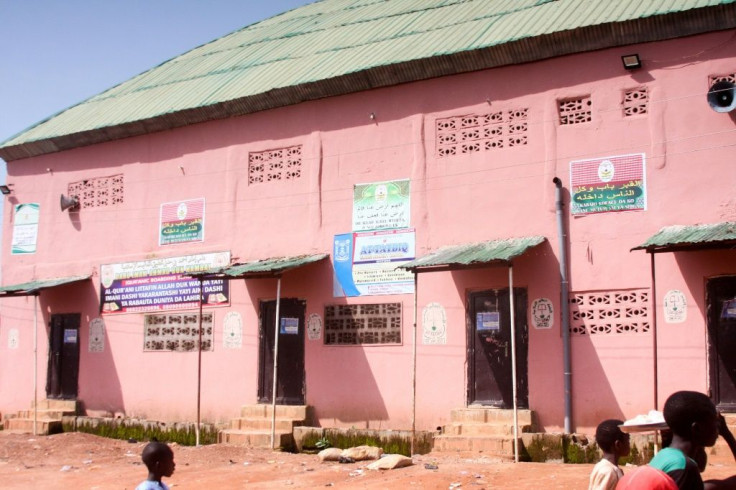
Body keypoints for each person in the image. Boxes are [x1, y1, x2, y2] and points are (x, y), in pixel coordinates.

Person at [643, 391, 736, 490]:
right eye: (714, 421)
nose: (719, 425)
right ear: (697, 428)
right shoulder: (684, 467)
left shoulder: (664, 456)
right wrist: (728, 435)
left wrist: (726, 433)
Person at [589, 419, 631, 490]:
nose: (629, 444)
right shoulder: (608, 472)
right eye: (627, 440)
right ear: (618, 445)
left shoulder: (607, 468)